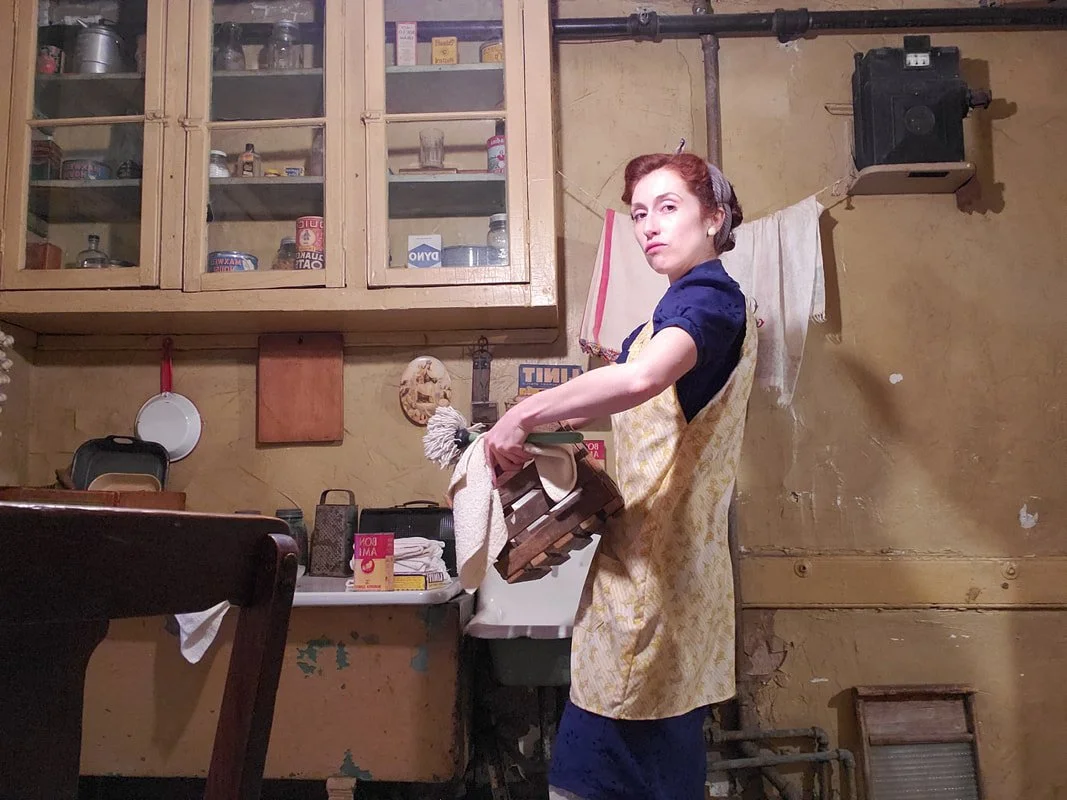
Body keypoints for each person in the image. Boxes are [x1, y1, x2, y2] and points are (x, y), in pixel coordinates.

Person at [483, 151, 757, 800]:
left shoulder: (711, 302)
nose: (648, 226)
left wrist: (523, 414)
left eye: (668, 207)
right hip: (639, 577)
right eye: (638, 213)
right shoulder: (663, 316)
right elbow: (643, 418)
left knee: (595, 779)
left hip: (658, 589)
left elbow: (639, 381)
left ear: (714, 218)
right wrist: (547, 446)